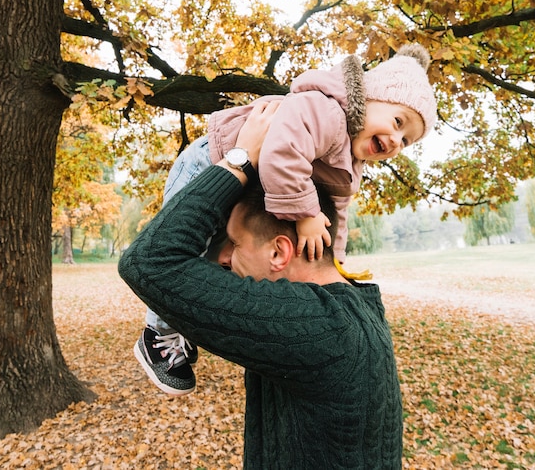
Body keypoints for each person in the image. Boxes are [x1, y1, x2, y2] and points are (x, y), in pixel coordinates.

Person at [136, 44, 437, 395]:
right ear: (368, 98)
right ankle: (157, 333)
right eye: (398, 122)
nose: (397, 141)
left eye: (407, 140)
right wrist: (307, 214)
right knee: (184, 247)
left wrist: (334, 261)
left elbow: (336, 211)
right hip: (209, 163)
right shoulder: (326, 110)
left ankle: (183, 324)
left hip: (242, 185)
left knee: (221, 261)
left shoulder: (351, 164)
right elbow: (282, 155)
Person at [118, 101, 404, 468]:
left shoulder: (312, 327)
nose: (221, 259)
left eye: (234, 244)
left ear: (279, 252)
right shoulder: (350, 307)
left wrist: (240, 159)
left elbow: (150, 261)